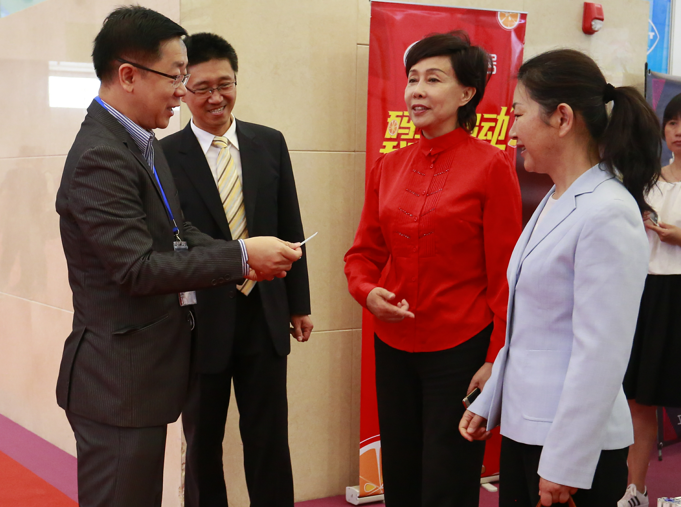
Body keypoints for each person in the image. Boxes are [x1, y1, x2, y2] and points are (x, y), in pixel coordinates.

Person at [55, 7, 301, 507]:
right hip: (117, 380)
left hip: (144, 375)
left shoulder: (138, 142)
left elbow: (178, 231)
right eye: (176, 77)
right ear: (129, 75)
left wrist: (244, 257)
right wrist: (239, 257)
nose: (180, 91)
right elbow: (137, 269)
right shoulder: (103, 155)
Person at [459, 49, 660, 507]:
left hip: (571, 449)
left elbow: (600, 354)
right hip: (529, 428)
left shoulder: (607, 210)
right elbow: (533, 327)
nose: (511, 131)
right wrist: (492, 398)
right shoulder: (556, 198)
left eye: (518, 114)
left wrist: (566, 462)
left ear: (562, 118)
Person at [344, 31, 522, 507]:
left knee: (448, 476)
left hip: (461, 346)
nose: (417, 91)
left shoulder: (492, 166)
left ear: (466, 94)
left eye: (433, 79)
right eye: (412, 79)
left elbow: (506, 275)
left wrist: (495, 357)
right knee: (400, 472)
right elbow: (362, 255)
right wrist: (367, 291)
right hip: (393, 343)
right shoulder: (388, 166)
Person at [160, 33, 312, 507]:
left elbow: (290, 224)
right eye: (202, 87)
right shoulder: (164, 156)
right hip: (200, 320)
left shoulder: (269, 142)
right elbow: (170, 242)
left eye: (224, 85)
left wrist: (299, 304)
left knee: (269, 440)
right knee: (203, 443)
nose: (215, 97)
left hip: (265, 313)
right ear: (183, 90)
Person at [618, 94, 681, 507]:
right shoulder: (646, 183)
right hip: (646, 295)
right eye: (673, 122)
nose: (679, 131)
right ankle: (635, 490)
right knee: (639, 401)